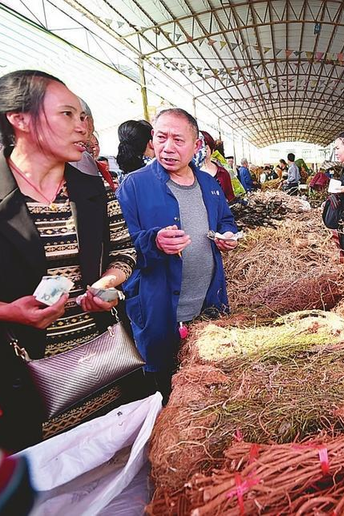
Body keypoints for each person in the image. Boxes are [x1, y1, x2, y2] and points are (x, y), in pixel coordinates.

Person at [0, 70, 137, 451]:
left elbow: (124, 252)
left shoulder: (92, 189)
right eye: (68, 114)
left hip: (101, 360)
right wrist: (2, 311)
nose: (84, 126)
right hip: (22, 368)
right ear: (21, 120)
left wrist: (105, 284)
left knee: (110, 459)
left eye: (84, 116)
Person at [116, 108, 238, 401]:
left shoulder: (209, 185)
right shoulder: (134, 185)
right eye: (161, 138)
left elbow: (226, 221)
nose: (168, 147)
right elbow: (119, 246)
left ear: (197, 146)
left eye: (178, 140)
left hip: (208, 304)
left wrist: (228, 236)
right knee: (164, 391)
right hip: (159, 307)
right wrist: (154, 242)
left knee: (206, 385)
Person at [198, 130, 236, 203]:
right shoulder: (190, 174)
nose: (201, 151)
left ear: (212, 150)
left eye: (205, 147)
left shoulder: (222, 173)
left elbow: (230, 198)